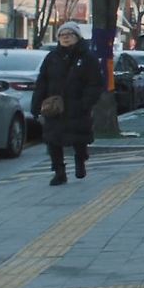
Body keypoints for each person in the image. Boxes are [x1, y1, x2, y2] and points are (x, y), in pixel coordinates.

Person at [32, 21, 104, 186]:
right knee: (52, 139)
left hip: (77, 106)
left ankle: (80, 161)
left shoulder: (87, 58)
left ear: (77, 37)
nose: (65, 38)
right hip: (54, 107)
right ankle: (59, 172)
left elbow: (95, 83)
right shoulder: (52, 58)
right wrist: (37, 105)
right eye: (62, 35)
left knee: (79, 138)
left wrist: (85, 103)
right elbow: (42, 82)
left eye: (69, 34)